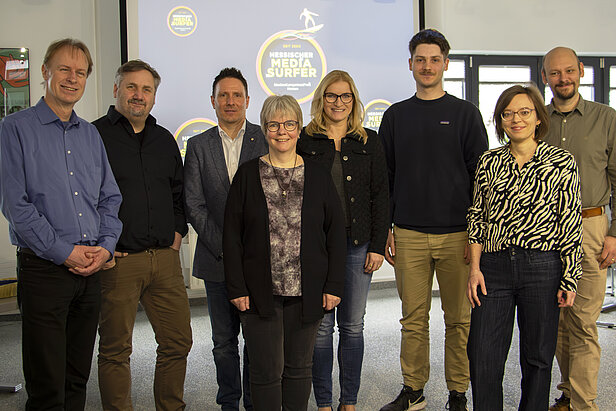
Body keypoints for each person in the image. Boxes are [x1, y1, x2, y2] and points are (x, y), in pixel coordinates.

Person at [0, 38, 122, 410]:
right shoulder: (14, 129)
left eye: (80, 72)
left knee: (76, 378)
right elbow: (16, 206)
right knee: (47, 382)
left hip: (91, 270)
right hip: (45, 271)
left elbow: (109, 198)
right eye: (64, 69)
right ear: (45, 72)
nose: (73, 78)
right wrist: (64, 252)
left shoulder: (90, 134)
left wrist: (105, 246)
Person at [378, 29, 489, 411]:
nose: (427, 66)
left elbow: (482, 180)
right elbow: (386, 179)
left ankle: (458, 392)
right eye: (420, 60)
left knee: (459, 320)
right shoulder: (394, 116)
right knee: (413, 319)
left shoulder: (465, 115)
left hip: (458, 235)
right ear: (410, 64)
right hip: (408, 234)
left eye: (434, 59)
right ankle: (414, 390)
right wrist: (387, 230)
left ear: (445, 63)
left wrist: (478, 236)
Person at [223, 95, 346, 410]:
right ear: (264, 129)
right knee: (265, 372)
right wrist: (236, 287)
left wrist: (333, 285)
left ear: (299, 127)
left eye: (289, 124)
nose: (282, 131)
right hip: (258, 292)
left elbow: (334, 233)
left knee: (298, 369)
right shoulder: (248, 175)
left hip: (308, 292)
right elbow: (232, 236)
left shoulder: (317, 174)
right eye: (274, 124)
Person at [466, 85, 583, 410]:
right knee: (483, 355)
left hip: (542, 267)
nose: (516, 119)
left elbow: (570, 222)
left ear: (537, 118)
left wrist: (569, 277)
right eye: (508, 114)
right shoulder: (489, 162)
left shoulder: (561, 161)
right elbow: (477, 218)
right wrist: (474, 269)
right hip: (493, 267)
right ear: (500, 121)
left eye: (524, 112)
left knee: (538, 357)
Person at [93, 59, 192, 411]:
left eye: (146, 89)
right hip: (118, 262)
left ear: (154, 96)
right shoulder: (94, 135)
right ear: (116, 89)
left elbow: (179, 194)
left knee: (177, 342)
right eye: (131, 87)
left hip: (164, 259)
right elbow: (82, 196)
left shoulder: (164, 140)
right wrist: (99, 246)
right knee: (116, 350)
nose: (139, 95)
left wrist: (178, 233)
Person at [297, 70, 389, 411]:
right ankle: (323, 402)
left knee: (352, 326)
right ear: (322, 100)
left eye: (345, 96)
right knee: (320, 331)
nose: (339, 102)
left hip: (358, 245)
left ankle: (348, 401)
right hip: (317, 249)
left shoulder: (370, 141)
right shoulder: (305, 140)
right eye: (332, 96)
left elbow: (381, 196)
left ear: (354, 100)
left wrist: (378, 246)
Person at [184, 67, 267, 410]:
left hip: (259, 261)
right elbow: (193, 203)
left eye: (236, 95)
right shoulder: (198, 145)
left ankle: (254, 402)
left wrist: (247, 251)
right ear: (213, 102)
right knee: (223, 341)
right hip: (216, 259)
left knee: (257, 339)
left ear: (248, 100)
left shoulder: (266, 138)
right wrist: (226, 247)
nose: (230, 101)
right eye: (223, 95)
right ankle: (229, 402)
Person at [542, 47, 616, 411]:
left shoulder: (607, 118)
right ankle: (569, 394)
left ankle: (585, 405)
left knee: (584, 322)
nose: (563, 78)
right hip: (547, 231)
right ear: (545, 78)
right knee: (557, 321)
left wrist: (614, 233)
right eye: (555, 73)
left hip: (591, 226)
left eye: (569, 70)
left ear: (581, 71)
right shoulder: (537, 120)